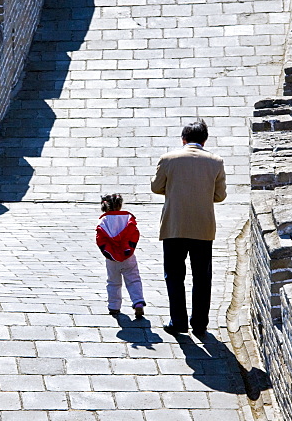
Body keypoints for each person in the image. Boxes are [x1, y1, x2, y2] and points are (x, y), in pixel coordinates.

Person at [151, 119, 226, 336]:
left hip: (174, 226)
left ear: (183, 139)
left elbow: (157, 187)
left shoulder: (168, 159)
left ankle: (179, 321)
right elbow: (220, 196)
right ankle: (200, 323)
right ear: (205, 140)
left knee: (174, 275)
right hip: (203, 228)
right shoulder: (216, 162)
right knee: (202, 277)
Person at [96, 194, 146, 319]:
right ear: (120, 205)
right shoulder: (127, 218)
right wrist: (129, 248)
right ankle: (138, 302)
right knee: (133, 279)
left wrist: (108, 252)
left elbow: (99, 238)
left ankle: (114, 306)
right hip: (128, 255)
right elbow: (134, 233)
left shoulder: (103, 221)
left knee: (113, 282)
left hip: (111, 258)